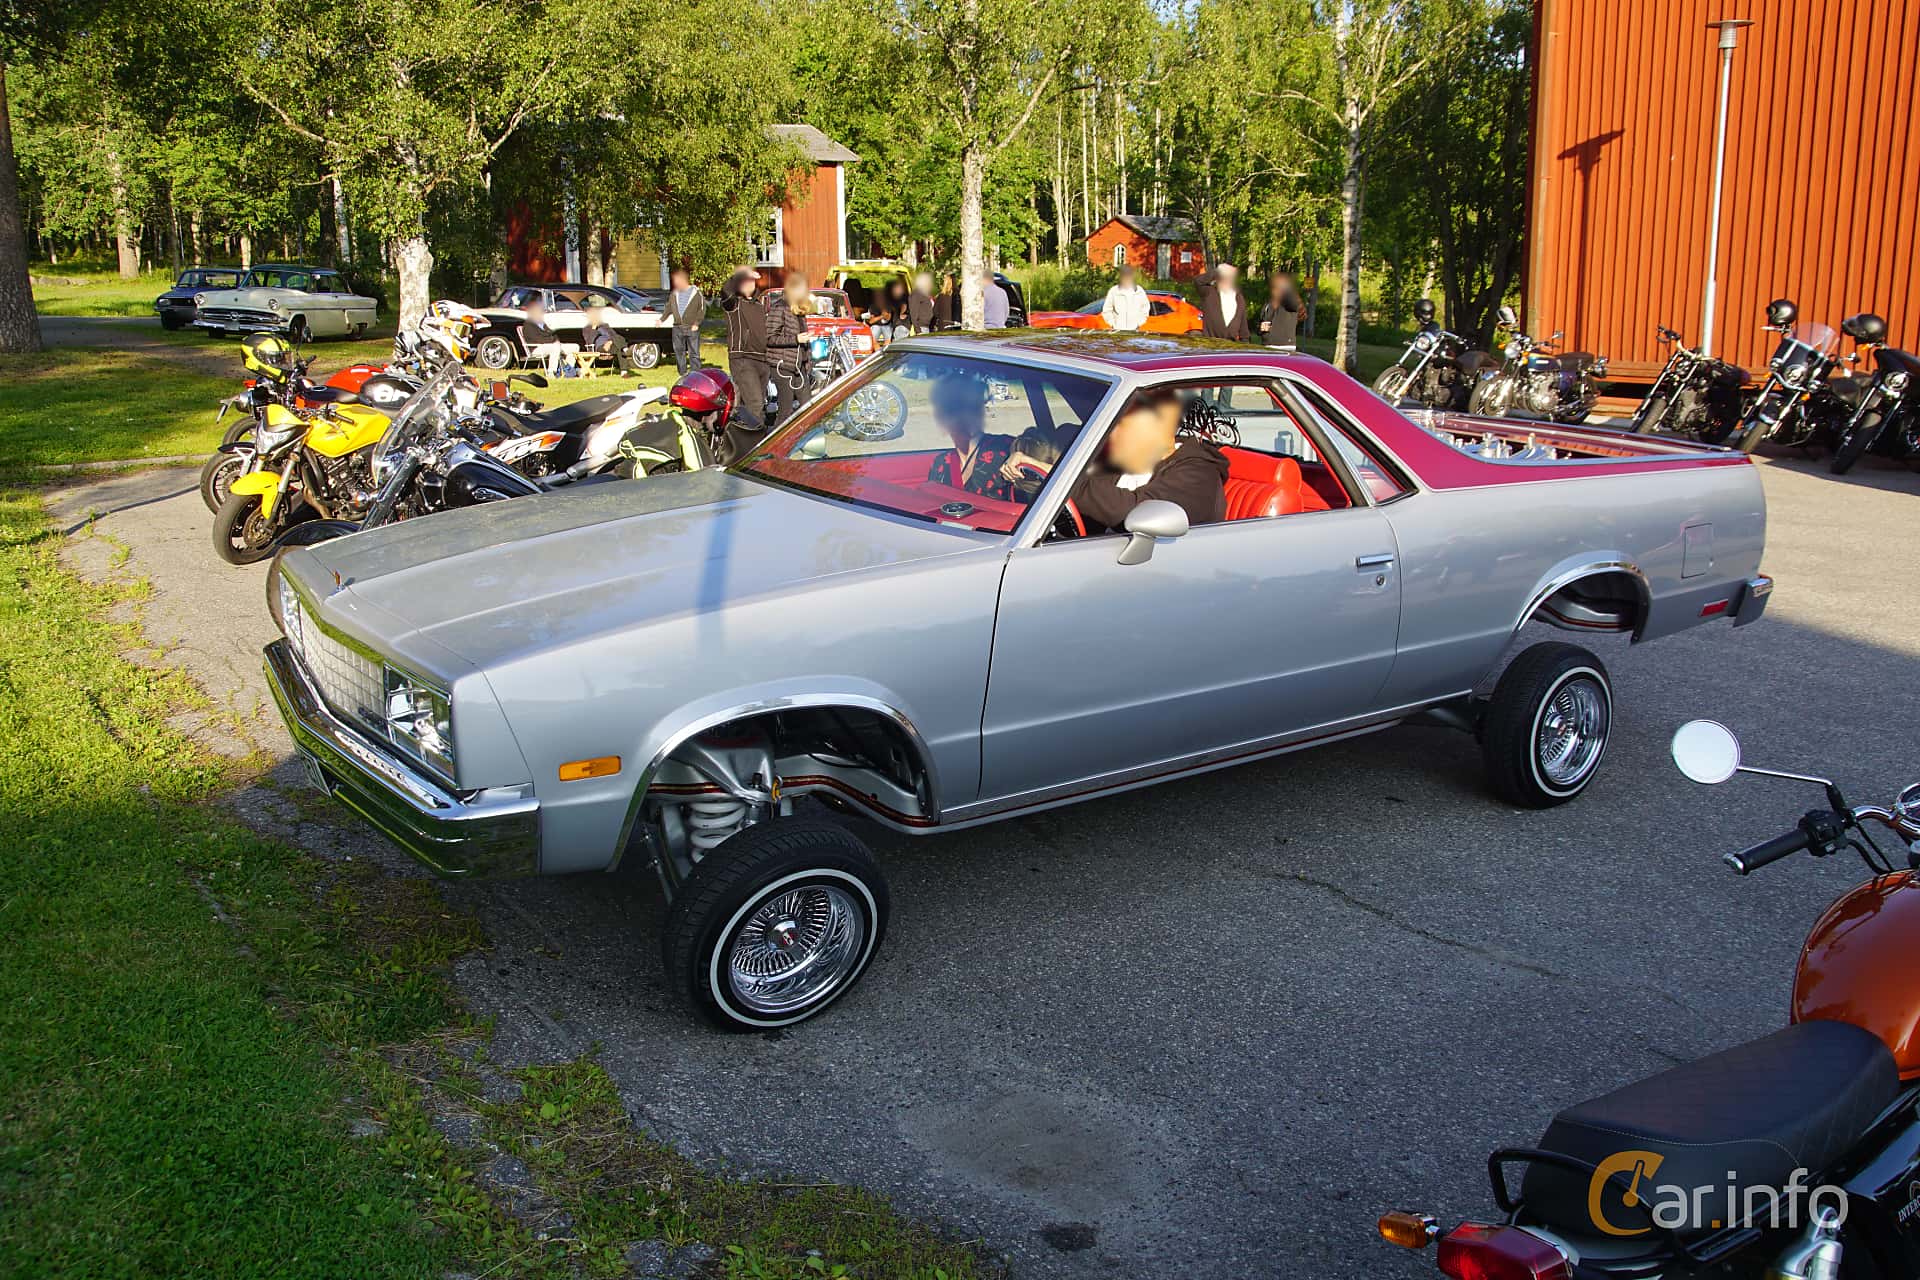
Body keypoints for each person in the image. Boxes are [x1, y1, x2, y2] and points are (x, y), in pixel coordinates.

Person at [1000, 386, 1227, 533]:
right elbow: (1085, 485)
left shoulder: (1198, 472)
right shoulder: (1126, 460)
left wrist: (1056, 476)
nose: (1115, 432)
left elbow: (1133, 510)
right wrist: (1024, 457)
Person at [925, 373, 1015, 500]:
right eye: (952, 408)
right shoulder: (941, 463)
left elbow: (1050, 473)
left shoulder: (1006, 448)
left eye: (970, 405)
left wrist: (1025, 458)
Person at [720, 268, 770, 428]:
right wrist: (741, 274)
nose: (749, 284)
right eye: (745, 281)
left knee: (753, 404)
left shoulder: (759, 305)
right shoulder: (733, 304)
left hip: (762, 360)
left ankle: (741, 437)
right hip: (743, 359)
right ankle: (758, 444)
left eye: (751, 281)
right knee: (756, 405)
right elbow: (726, 290)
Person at [765, 270, 814, 425]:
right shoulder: (779, 308)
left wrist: (807, 362)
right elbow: (770, 338)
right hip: (782, 366)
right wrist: (795, 339)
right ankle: (777, 444)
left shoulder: (799, 310)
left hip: (799, 367)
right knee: (785, 410)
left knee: (808, 407)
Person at [518, 298, 580, 375]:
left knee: (575, 347)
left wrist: (555, 341)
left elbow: (553, 334)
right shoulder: (528, 325)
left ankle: (568, 370)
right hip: (536, 348)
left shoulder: (542, 323)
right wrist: (553, 341)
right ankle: (551, 371)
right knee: (555, 347)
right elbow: (538, 339)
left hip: (551, 345)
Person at [665, 266, 705, 374]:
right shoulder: (674, 294)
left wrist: (697, 323)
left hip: (692, 327)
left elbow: (701, 309)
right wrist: (661, 319)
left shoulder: (696, 293)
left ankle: (695, 373)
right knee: (679, 351)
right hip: (677, 327)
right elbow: (669, 308)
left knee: (694, 352)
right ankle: (682, 373)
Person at [1200, 264, 1250, 342]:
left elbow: (1244, 331)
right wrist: (1217, 272)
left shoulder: (1239, 298)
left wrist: (1245, 345)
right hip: (1210, 346)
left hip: (1230, 349)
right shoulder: (1209, 293)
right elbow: (1198, 281)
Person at [1260, 272, 1306, 351]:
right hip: (1268, 344)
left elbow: (1295, 304)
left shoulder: (1288, 300)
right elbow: (1263, 319)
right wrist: (1261, 328)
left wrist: (1287, 290)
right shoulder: (1269, 302)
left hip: (1284, 346)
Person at [580, 305, 630, 375]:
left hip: (610, 345)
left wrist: (609, 342)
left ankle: (624, 372)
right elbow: (589, 341)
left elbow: (615, 335)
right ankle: (626, 349)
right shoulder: (587, 329)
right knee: (620, 345)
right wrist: (594, 327)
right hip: (599, 347)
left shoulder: (605, 325)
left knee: (619, 344)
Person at [1101, 265, 1150, 332]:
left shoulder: (1139, 291)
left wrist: (1139, 323)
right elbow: (1106, 310)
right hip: (1118, 332)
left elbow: (1145, 309)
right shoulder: (1114, 291)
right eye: (1125, 275)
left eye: (1128, 275)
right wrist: (1113, 324)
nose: (1127, 278)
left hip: (1134, 332)